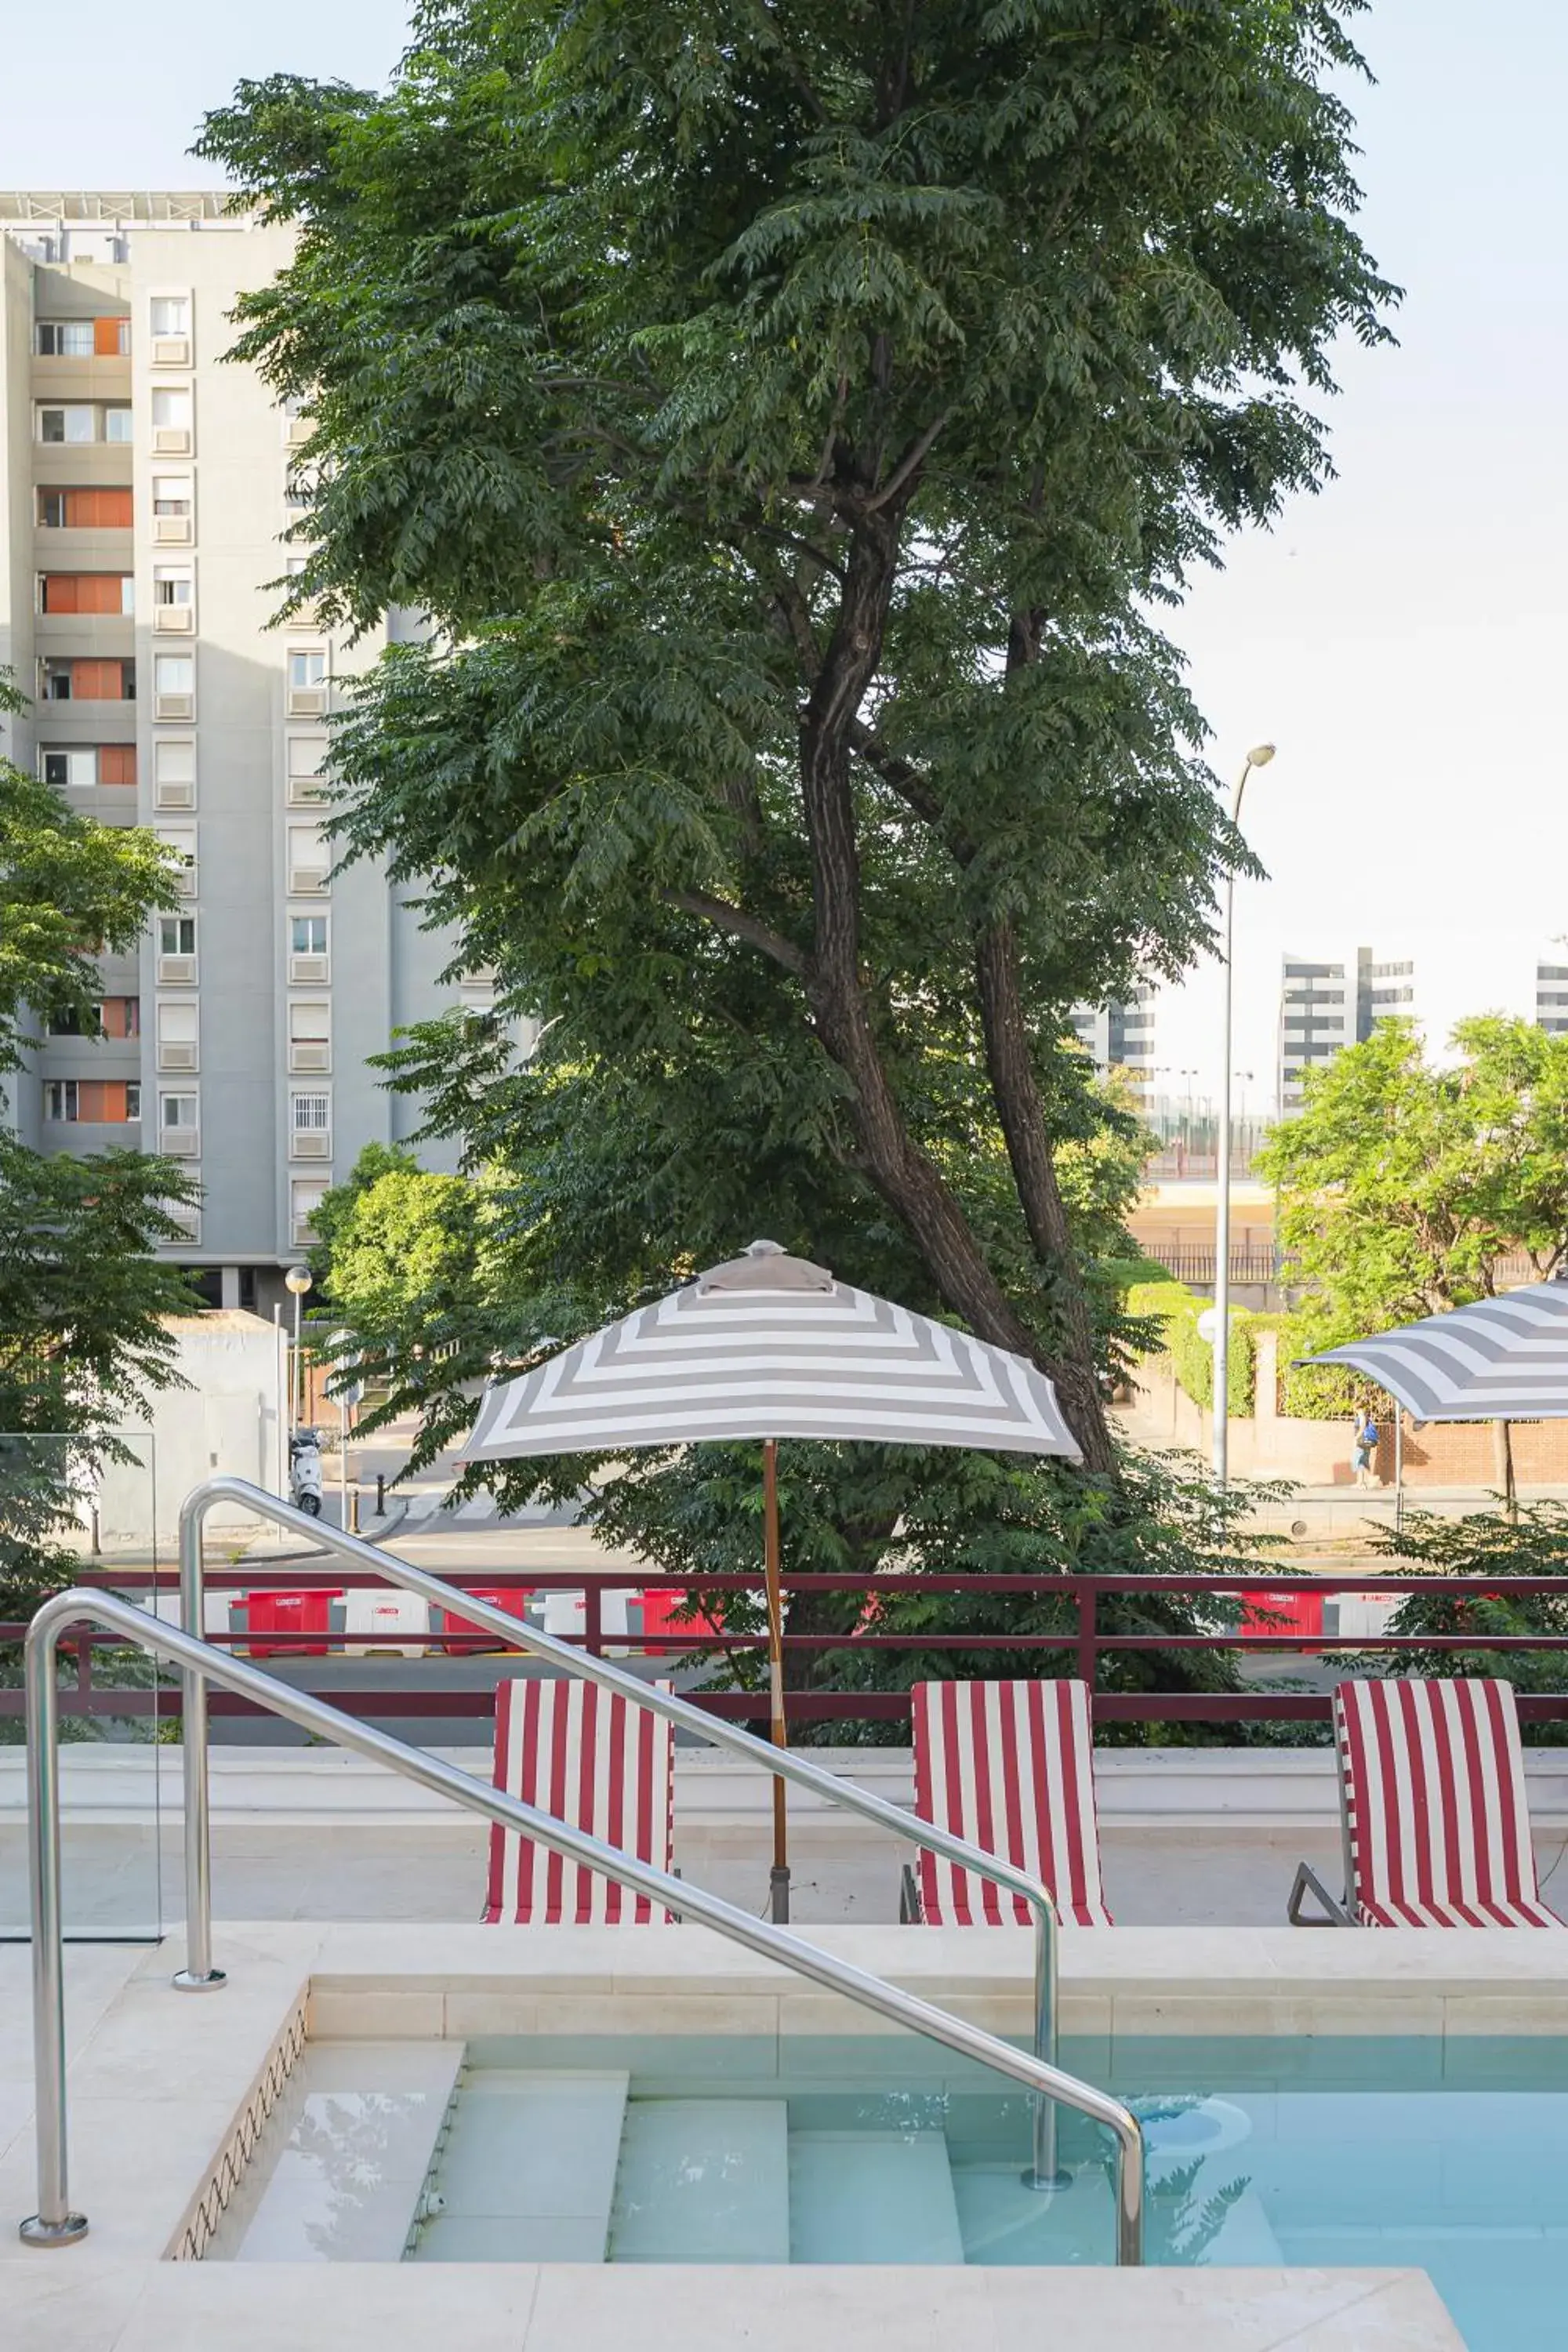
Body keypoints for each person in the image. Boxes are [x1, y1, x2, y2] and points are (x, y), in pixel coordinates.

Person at [1352, 1409, 1380, 1488]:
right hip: (1366, 1442)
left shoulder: (1362, 1417)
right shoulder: (1366, 1417)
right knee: (1363, 1461)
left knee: (1359, 1461)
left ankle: (1370, 1478)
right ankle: (1361, 1482)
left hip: (1362, 1442)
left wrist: (1356, 1438)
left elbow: (1362, 1428)